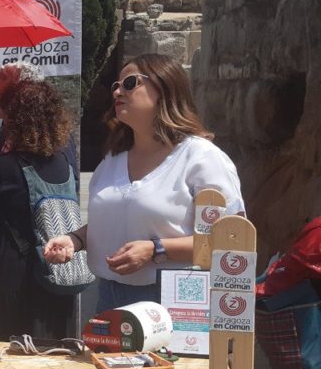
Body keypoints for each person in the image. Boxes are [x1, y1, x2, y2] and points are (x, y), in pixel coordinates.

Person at [43, 53, 245, 311]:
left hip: (175, 300)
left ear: (164, 89)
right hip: (109, 297)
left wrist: (156, 249)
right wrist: (75, 240)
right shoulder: (113, 159)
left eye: (130, 83)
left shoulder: (201, 158)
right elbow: (115, 220)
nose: (117, 92)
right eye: (116, 85)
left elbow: (229, 237)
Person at [0, 81, 76, 340]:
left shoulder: (2, 167)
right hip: (56, 274)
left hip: (9, 275)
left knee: (6, 351)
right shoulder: (64, 164)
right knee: (52, 352)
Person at [0, 62, 78, 195]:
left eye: (0, 92)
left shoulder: (55, 137)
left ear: (24, 95)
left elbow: (71, 185)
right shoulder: (5, 131)